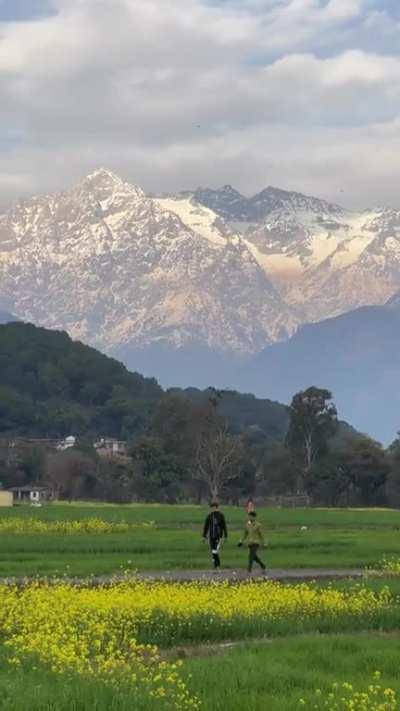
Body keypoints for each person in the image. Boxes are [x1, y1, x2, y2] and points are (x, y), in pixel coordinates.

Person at [202, 501, 228, 569]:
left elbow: (224, 526)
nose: (211, 509)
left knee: (215, 550)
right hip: (211, 536)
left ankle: (217, 564)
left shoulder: (221, 515)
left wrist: (225, 536)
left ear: (216, 507)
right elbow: (206, 526)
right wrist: (204, 536)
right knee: (213, 551)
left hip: (218, 536)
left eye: (213, 508)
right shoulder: (209, 516)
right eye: (211, 508)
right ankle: (216, 565)